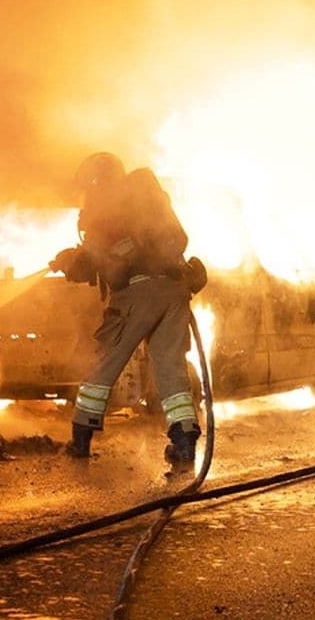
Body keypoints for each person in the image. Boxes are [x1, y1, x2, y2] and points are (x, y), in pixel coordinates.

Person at [50, 152, 206, 474]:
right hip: (175, 290)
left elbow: (102, 263)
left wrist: (70, 263)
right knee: (169, 365)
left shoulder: (106, 204)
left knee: (105, 361)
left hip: (140, 292)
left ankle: (80, 439)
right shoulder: (144, 198)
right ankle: (184, 441)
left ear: (96, 180)